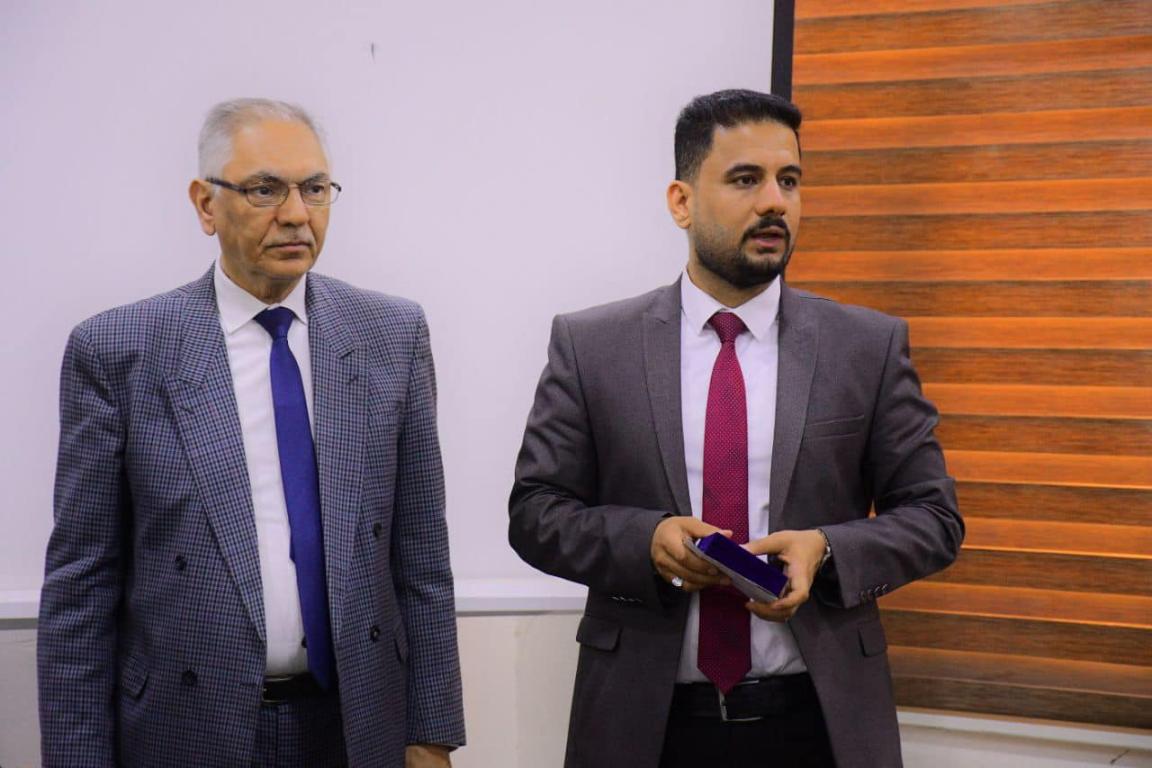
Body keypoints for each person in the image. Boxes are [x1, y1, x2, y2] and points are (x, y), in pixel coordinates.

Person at [508, 89, 963, 768]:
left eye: (790, 181)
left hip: (818, 725)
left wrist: (826, 550)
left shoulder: (865, 347)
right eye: (746, 180)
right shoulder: (592, 347)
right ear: (681, 201)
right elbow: (536, 513)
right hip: (646, 726)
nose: (775, 202)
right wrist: (645, 541)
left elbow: (934, 518)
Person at [38, 98, 464, 768]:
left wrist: (431, 732)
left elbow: (421, 556)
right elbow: (81, 585)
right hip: (186, 729)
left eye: (315, 189)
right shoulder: (120, 350)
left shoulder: (391, 335)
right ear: (205, 204)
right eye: (265, 189)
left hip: (355, 725)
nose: (296, 214)